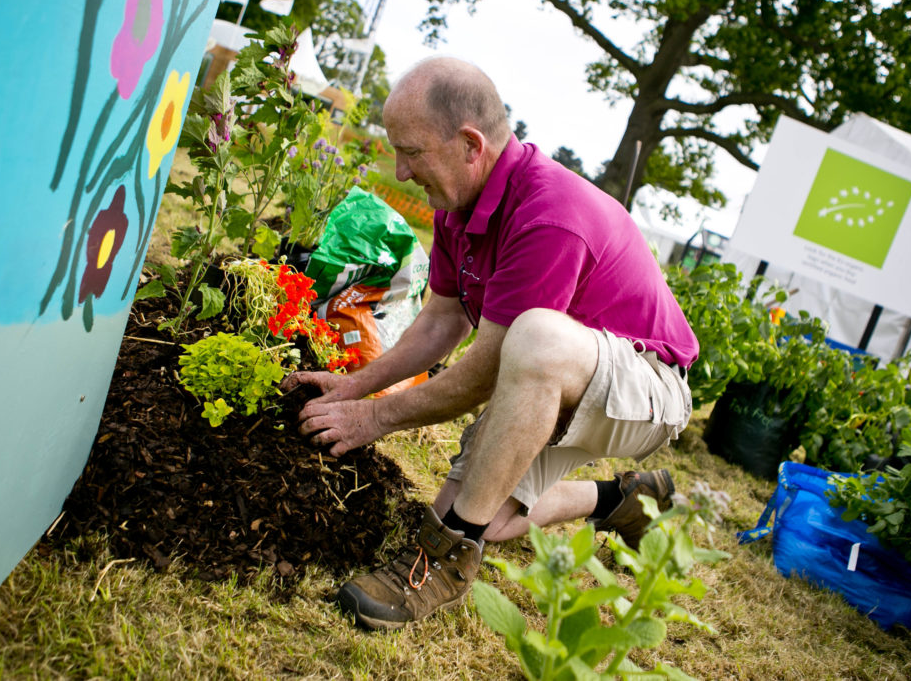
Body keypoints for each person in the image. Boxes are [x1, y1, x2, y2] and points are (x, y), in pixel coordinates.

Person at [281, 57, 698, 631]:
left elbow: (486, 371)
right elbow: (441, 323)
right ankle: (619, 499)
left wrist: (372, 419)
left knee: (534, 338)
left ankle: (447, 561)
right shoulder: (459, 206)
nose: (400, 172)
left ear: (471, 144)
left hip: (646, 386)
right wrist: (352, 387)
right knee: (490, 513)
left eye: (412, 152)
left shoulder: (548, 215)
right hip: (557, 374)